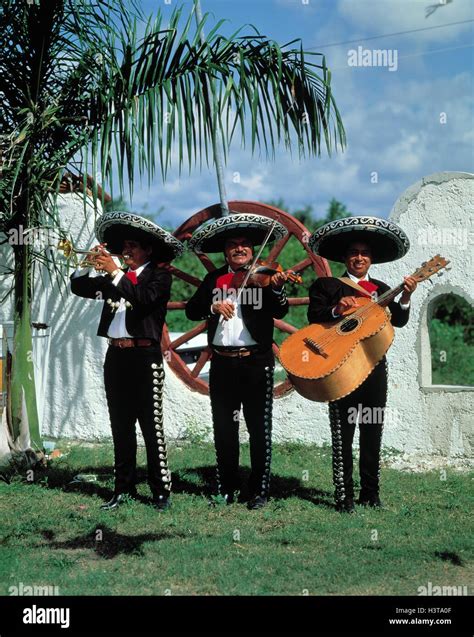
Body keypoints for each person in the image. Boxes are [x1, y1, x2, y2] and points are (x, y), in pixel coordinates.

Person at [70, 211, 183, 511]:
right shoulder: (113, 279)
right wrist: (87, 265)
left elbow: (143, 299)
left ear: (147, 249)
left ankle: (161, 493)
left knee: (151, 426)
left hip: (145, 357)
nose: (126, 251)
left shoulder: (159, 276)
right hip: (116, 356)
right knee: (120, 426)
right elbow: (79, 288)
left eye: (133, 245)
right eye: (124, 246)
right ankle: (123, 489)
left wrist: (115, 272)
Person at [307, 217, 417, 512]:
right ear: (345, 257)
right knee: (343, 433)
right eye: (354, 252)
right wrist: (335, 308)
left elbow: (401, 321)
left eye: (365, 253)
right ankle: (344, 496)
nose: (359, 258)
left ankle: (371, 493)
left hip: (373, 368)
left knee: (372, 430)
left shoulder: (382, 289)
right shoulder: (327, 285)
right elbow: (313, 316)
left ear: (371, 260)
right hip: (341, 369)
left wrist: (405, 296)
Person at [185, 213, 289, 509]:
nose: (240, 249)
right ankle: (227, 488)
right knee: (224, 428)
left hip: (256, 362)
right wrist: (212, 305)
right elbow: (192, 310)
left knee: (259, 427)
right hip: (222, 363)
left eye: (245, 244)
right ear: (226, 251)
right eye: (233, 245)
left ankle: (259, 491)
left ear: (252, 249)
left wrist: (277, 287)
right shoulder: (214, 279)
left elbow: (280, 312)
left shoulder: (264, 277)